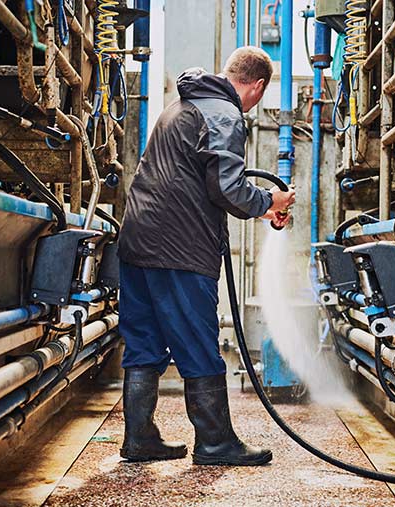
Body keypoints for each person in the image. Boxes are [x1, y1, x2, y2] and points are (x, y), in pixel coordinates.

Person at [117, 46, 296, 466]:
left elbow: (205, 181)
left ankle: (139, 438)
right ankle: (215, 442)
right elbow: (228, 188)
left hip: (138, 240)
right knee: (198, 342)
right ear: (257, 85)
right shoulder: (225, 114)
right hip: (179, 248)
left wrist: (263, 206)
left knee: (143, 343)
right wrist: (271, 197)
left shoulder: (179, 106)